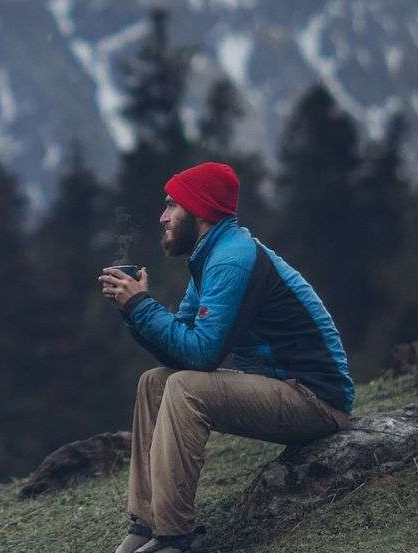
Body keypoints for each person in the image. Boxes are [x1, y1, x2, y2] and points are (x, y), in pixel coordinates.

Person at [97, 162, 354, 553]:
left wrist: (142, 307)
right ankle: (145, 526)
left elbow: (201, 357)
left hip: (316, 400)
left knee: (185, 388)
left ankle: (174, 538)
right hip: (279, 387)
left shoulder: (231, 259)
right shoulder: (210, 258)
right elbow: (180, 347)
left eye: (172, 205)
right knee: (155, 382)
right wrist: (134, 309)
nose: (163, 216)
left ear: (198, 210)